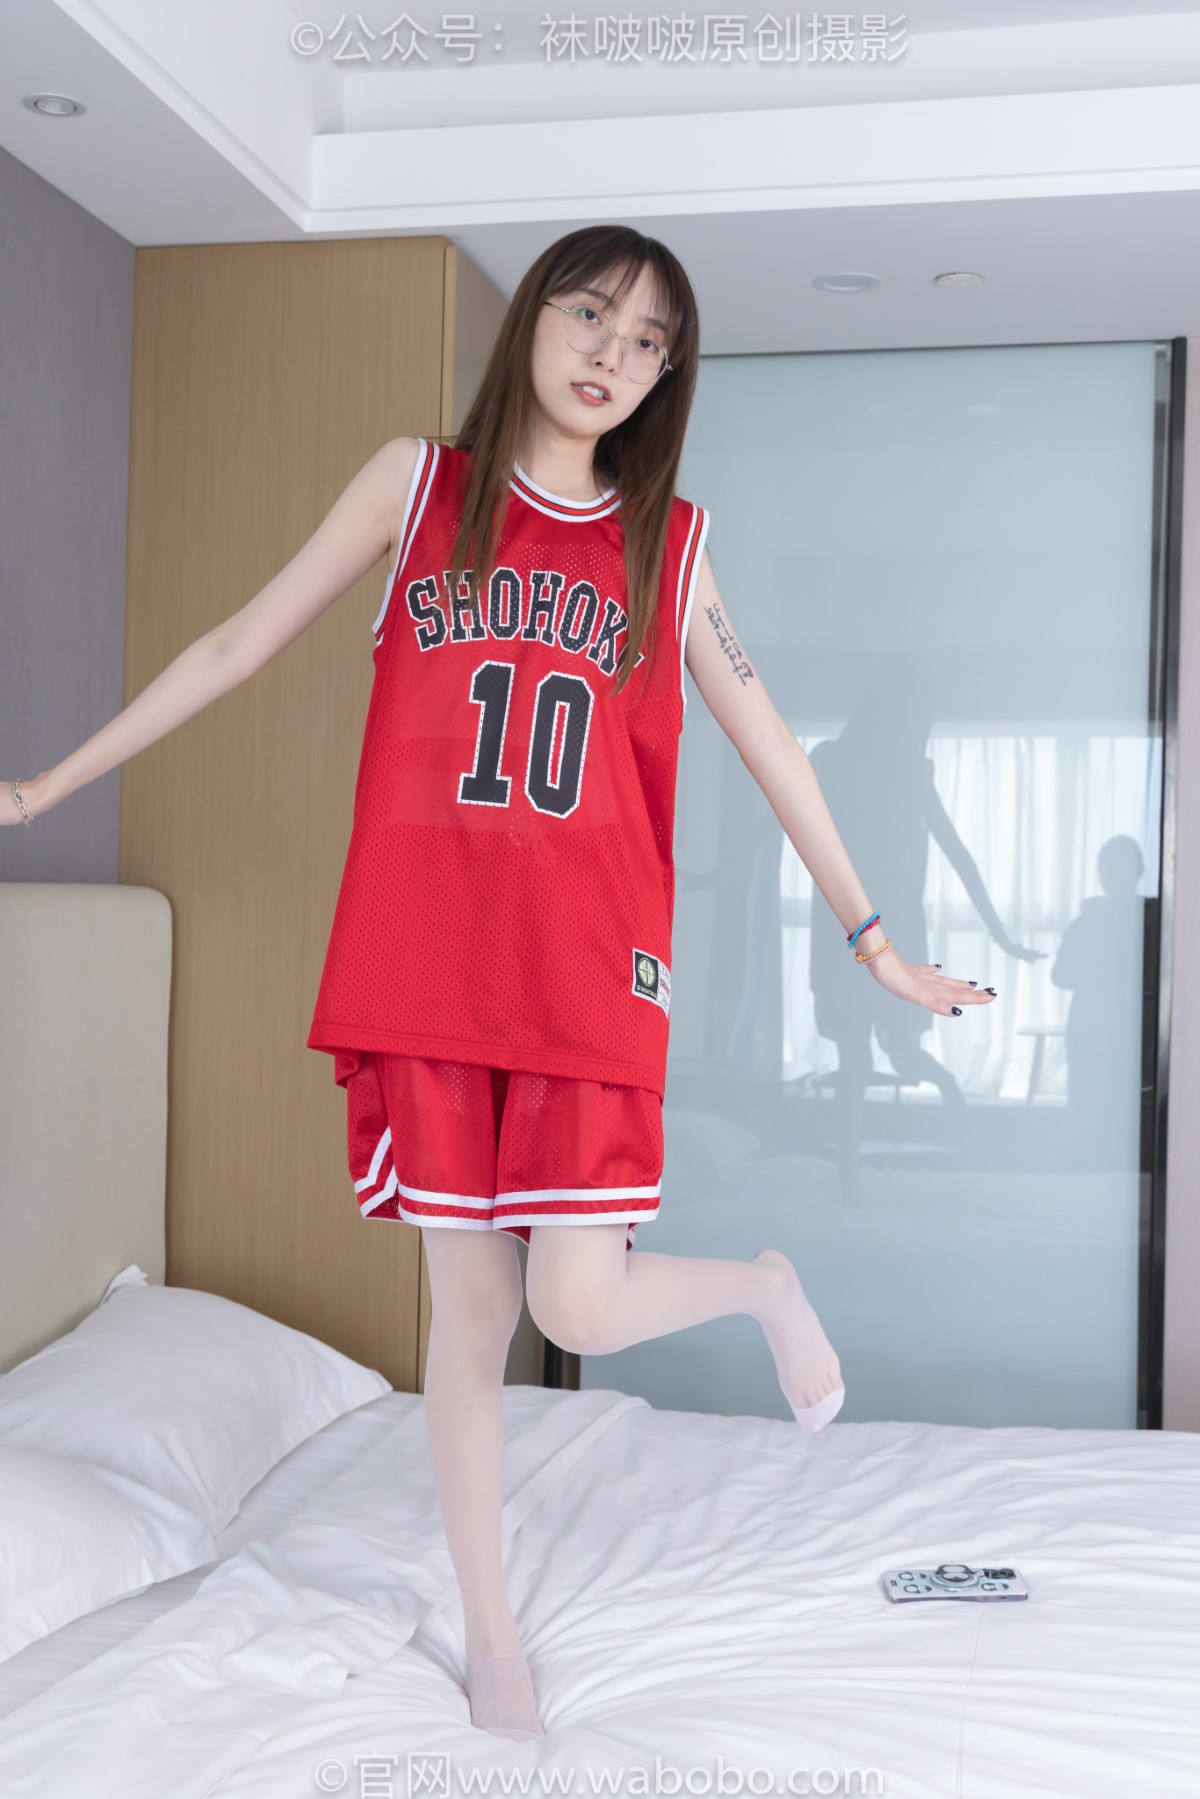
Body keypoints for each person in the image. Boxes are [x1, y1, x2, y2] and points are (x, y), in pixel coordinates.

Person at [3, 224, 996, 1740]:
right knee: (471, 1313)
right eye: (591, 313)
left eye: (648, 342)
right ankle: (491, 1631)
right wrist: (46, 785)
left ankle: (761, 1287)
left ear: (666, 378)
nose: (612, 354)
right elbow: (234, 646)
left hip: (589, 975)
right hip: (427, 972)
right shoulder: (418, 489)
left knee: (575, 1305)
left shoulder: (668, 548)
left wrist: (879, 946)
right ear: (534, 316)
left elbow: (777, 748)